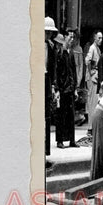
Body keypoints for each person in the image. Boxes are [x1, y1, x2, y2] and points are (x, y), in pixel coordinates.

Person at [54, 31, 79, 148]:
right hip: (63, 88)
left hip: (70, 88)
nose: (72, 39)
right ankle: (60, 140)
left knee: (70, 116)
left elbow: (73, 72)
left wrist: (75, 89)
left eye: (73, 37)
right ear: (65, 37)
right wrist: (57, 88)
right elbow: (57, 73)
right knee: (61, 116)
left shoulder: (71, 53)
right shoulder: (60, 53)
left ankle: (72, 140)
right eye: (70, 37)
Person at [45, 17, 58, 163]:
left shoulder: (51, 47)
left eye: (50, 33)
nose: (48, 35)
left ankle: (46, 151)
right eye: (46, 32)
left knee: (47, 117)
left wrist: (54, 87)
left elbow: (52, 68)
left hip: (47, 82)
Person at [85, 30, 103, 134]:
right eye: (99, 38)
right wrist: (91, 73)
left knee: (95, 102)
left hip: (96, 77)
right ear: (95, 38)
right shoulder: (92, 48)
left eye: (101, 38)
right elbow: (87, 61)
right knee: (92, 103)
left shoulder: (97, 49)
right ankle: (90, 128)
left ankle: (93, 126)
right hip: (92, 78)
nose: (100, 40)